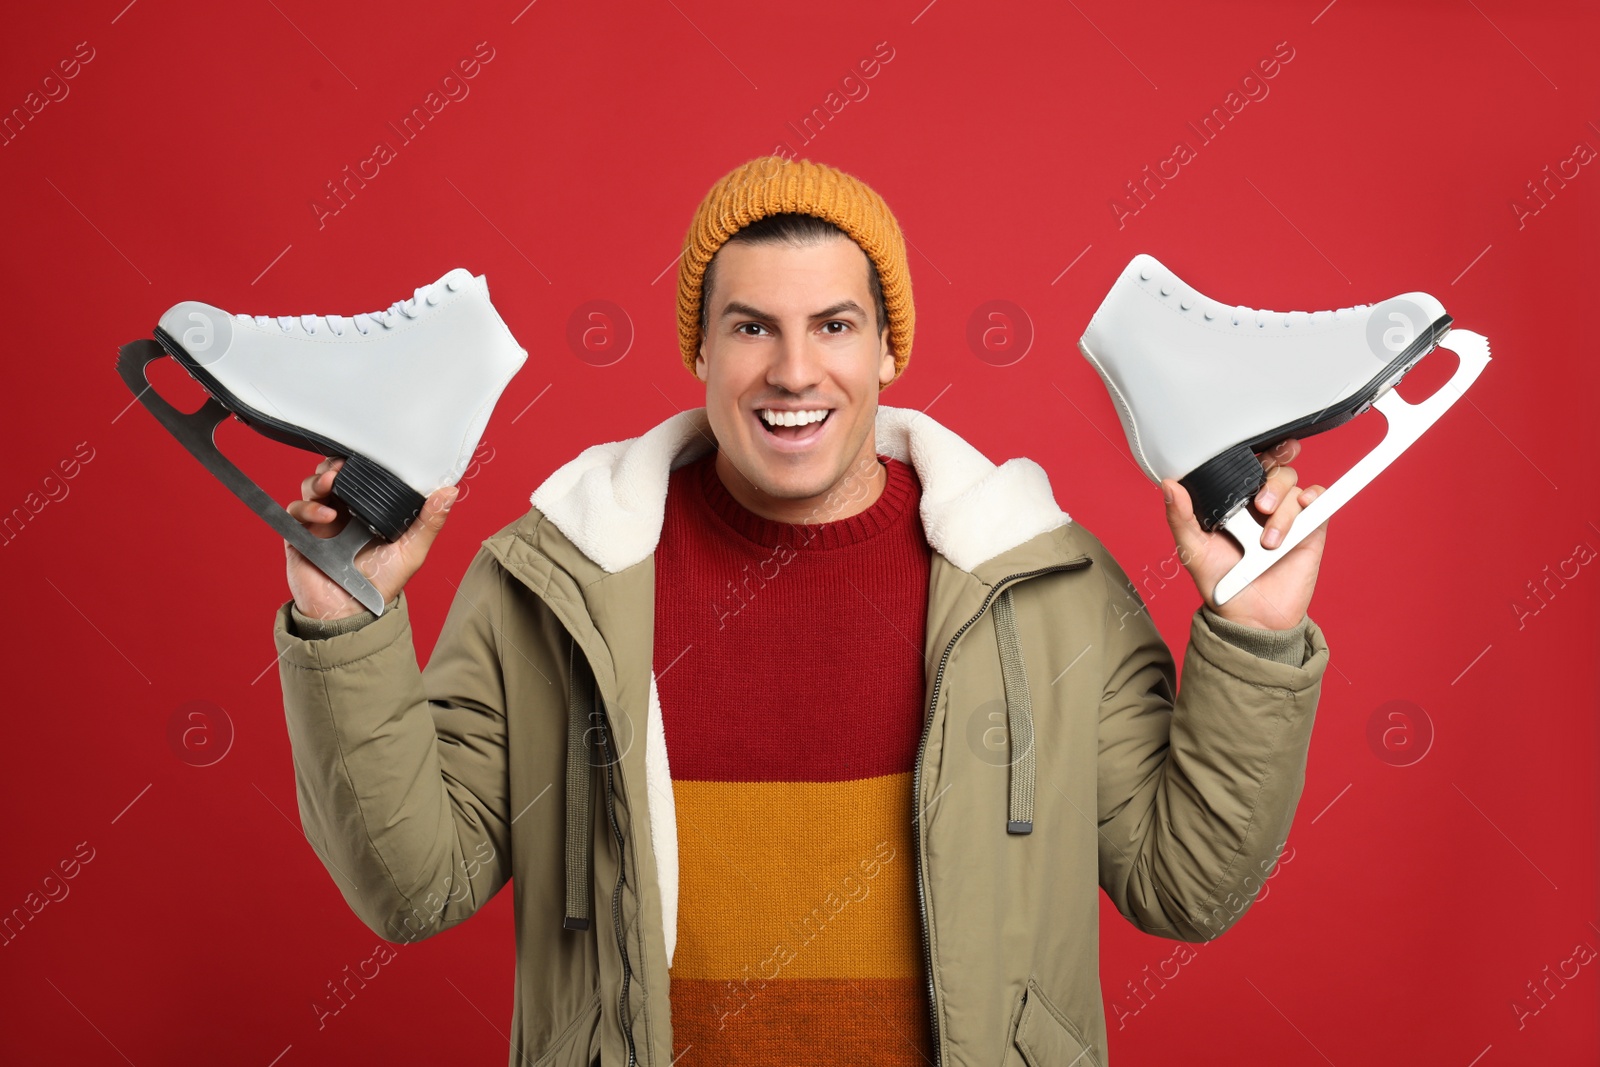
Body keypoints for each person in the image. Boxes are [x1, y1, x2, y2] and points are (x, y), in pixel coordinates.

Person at [273, 155, 1330, 1067]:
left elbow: (1184, 885)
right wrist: (340, 619)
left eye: (834, 324)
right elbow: (413, 887)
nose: (792, 369)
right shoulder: (551, 581)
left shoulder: (1041, 581)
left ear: (887, 350)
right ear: (700, 350)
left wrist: (1258, 632)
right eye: (750, 327)